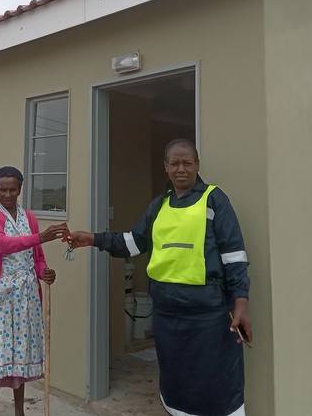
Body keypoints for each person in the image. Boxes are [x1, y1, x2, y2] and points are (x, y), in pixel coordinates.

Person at [67, 139, 252, 416]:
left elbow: (234, 255)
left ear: (197, 165)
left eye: (187, 162)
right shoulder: (158, 206)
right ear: (166, 167)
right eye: (175, 163)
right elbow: (132, 242)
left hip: (208, 315)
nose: (181, 169)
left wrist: (241, 302)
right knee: (176, 383)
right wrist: (93, 239)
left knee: (216, 387)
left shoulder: (214, 200)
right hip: (167, 314)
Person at [0, 166, 67, 416]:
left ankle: (19, 410)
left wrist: (44, 272)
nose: (7, 194)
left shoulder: (29, 218)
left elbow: (37, 257)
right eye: (2, 190)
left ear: (20, 189)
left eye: (12, 189)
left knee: (19, 354)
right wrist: (39, 237)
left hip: (25, 297)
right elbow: (0, 243)